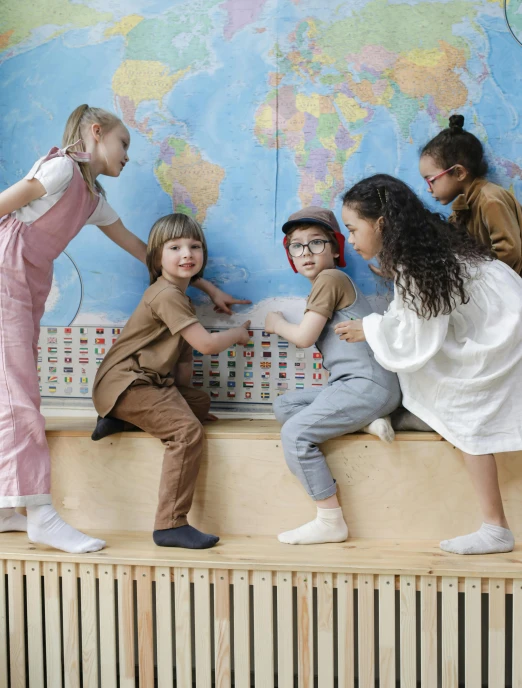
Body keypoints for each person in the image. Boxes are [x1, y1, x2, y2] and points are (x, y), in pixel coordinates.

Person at [0, 104, 248, 554]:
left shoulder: (93, 200)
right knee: (18, 399)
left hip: (28, 281)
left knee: (15, 391)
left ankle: (5, 509)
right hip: (5, 272)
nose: (127, 155)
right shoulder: (60, 169)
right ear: (96, 134)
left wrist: (207, 286)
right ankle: (40, 513)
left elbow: (144, 251)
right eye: (123, 144)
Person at [336, 174, 522, 555]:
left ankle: (495, 527)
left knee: (464, 409)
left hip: (500, 336)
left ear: (382, 224)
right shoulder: (429, 250)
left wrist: (369, 328)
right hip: (505, 324)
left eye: (353, 229)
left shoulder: (416, 264)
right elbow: (416, 319)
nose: (350, 240)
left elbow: (416, 339)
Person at [92, 213, 251, 549]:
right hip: (128, 383)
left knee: (200, 404)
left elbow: (181, 366)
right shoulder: (166, 295)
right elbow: (206, 345)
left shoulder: (180, 297)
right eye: (175, 247)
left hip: (146, 385)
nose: (187, 253)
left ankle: (118, 418)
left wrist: (187, 402)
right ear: (156, 256)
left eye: (195, 246)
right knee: (186, 431)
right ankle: (170, 525)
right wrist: (237, 334)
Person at [265, 207, 401, 545]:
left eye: (316, 243)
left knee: (295, 434)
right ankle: (369, 421)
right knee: (285, 406)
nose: (306, 252)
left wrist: (275, 323)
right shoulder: (327, 284)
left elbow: (303, 337)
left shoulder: (331, 279)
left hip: (365, 385)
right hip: (355, 387)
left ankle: (330, 520)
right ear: (290, 256)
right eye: (297, 246)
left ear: (336, 248)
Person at [419, 114, 522, 274]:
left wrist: (478, 282)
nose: (429, 188)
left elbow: (510, 253)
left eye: (431, 180)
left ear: (459, 172)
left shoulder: (490, 200)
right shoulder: (463, 206)